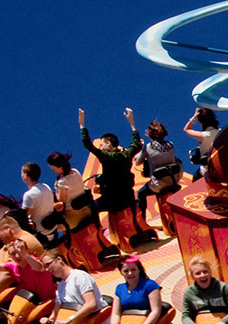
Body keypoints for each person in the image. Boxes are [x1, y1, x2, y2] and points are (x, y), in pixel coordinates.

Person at [79, 108, 148, 245]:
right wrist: (132, 123)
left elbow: (87, 144)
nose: (100, 146)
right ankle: (139, 227)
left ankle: (100, 238)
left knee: (91, 208)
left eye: (102, 144)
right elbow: (136, 144)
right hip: (127, 196)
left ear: (109, 143)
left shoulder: (106, 157)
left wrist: (82, 125)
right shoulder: (127, 154)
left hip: (111, 200)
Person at [48, 151, 116, 265]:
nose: (53, 171)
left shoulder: (62, 182)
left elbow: (62, 203)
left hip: (73, 219)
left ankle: (71, 253)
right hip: (86, 211)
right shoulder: (75, 172)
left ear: (60, 167)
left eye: (54, 169)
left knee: (52, 228)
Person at [133, 120, 183, 230]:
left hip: (159, 184)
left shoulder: (148, 147)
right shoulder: (170, 144)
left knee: (141, 193)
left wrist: (140, 149)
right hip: (173, 179)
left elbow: (138, 162)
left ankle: (142, 222)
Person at [21, 163, 61, 246]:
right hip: (53, 228)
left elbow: (23, 217)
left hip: (42, 234)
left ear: (25, 176)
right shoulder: (46, 186)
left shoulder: (28, 195)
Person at [183, 107, 221, 178]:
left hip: (208, 169)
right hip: (222, 164)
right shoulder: (221, 132)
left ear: (201, 123)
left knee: (195, 178)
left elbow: (186, 129)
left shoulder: (203, 135)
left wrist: (194, 117)